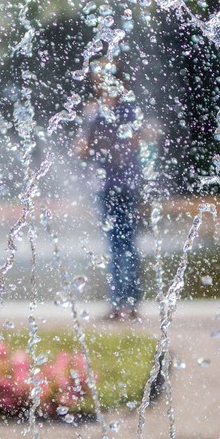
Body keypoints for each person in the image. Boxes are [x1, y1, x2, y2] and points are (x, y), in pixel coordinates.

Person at [77, 64, 144, 319]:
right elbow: (135, 143)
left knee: (117, 243)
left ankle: (119, 303)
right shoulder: (129, 110)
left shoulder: (96, 112)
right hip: (126, 183)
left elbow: (82, 149)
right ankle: (131, 302)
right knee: (126, 242)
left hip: (109, 185)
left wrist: (97, 147)